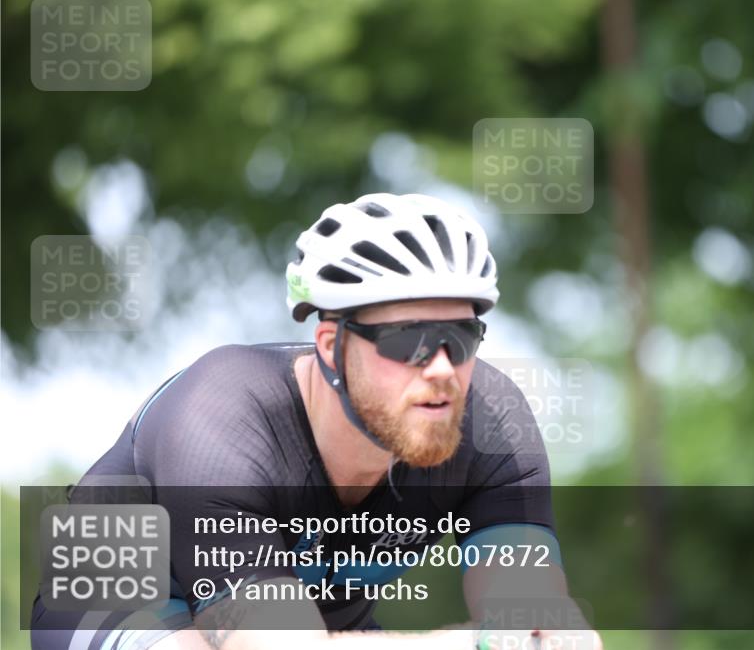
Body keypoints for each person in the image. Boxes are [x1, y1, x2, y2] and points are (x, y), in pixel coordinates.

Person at [31, 193, 601, 650]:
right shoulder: (218, 423)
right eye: (409, 342)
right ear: (330, 346)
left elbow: (525, 610)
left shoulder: (493, 425)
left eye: (461, 337)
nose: (442, 369)